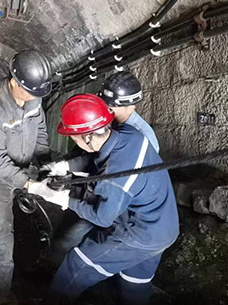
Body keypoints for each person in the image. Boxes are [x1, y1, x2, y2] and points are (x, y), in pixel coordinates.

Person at [39, 94, 179, 305]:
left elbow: (102, 217)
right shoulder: (129, 134)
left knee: (77, 264)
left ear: (87, 137)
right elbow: (96, 156)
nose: (74, 141)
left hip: (138, 234)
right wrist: (64, 166)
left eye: (74, 138)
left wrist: (64, 200)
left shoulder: (116, 178)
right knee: (134, 283)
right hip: (164, 228)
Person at [0, 49, 57, 305]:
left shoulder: (34, 97)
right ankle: (1, 301)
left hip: (20, 167)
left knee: (5, 220)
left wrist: (46, 164)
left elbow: (40, 133)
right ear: (15, 81)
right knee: (4, 231)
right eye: (30, 93)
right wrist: (30, 185)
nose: (35, 99)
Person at [46, 70, 159, 260]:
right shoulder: (105, 120)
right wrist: (67, 166)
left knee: (73, 237)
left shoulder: (143, 137)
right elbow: (89, 155)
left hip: (110, 201)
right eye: (104, 103)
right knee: (65, 233)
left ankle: (61, 265)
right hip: (90, 188)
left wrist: (68, 199)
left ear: (131, 106)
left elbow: (125, 188)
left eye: (111, 106)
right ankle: (55, 260)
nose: (106, 109)